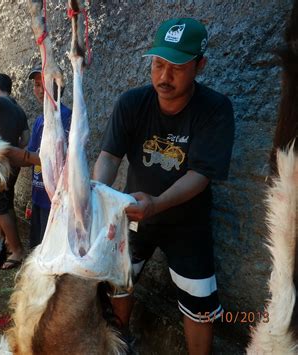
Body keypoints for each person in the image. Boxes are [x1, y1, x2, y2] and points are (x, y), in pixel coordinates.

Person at [93, 18, 234, 355]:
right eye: (158, 65)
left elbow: (200, 175)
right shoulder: (132, 103)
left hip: (188, 223)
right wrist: (96, 193)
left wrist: (157, 203)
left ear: (200, 65)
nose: (163, 77)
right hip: (134, 213)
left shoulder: (215, 110)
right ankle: (120, 344)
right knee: (119, 283)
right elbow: (109, 157)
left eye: (177, 67)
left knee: (199, 302)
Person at [0, 73, 30, 269]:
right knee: (6, 202)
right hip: (13, 162)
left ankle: (17, 249)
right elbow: (25, 140)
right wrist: (12, 147)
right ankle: (3, 242)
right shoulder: (19, 110)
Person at [26, 66, 72, 248]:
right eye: (36, 85)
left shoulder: (66, 117)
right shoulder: (40, 120)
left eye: (42, 84)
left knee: (51, 248)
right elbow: (33, 153)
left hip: (55, 198)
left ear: (57, 87)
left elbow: (59, 159)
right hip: (38, 193)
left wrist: (18, 154)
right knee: (38, 247)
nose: (38, 90)